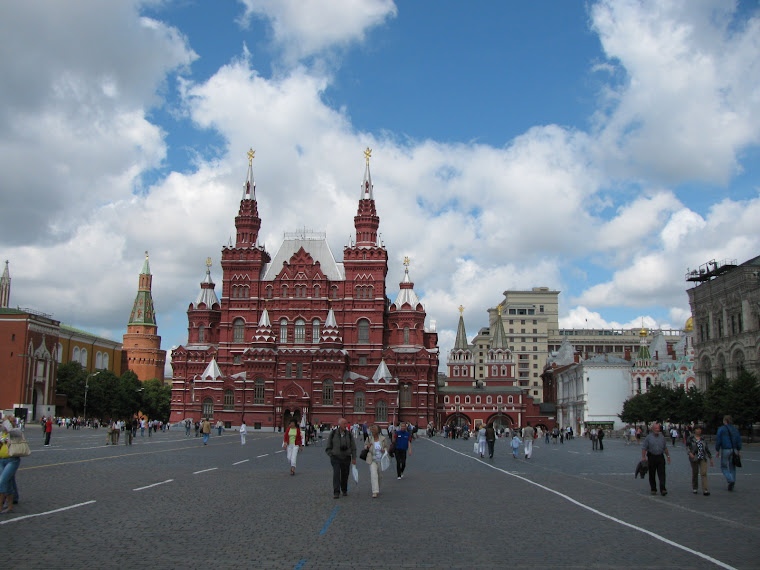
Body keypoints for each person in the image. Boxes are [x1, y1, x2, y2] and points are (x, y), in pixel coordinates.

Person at [325, 418, 356, 498]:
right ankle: (336, 492)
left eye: (346, 424)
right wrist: (331, 454)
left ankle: (344, 489)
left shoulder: (349, 434)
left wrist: (354, 457)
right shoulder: (333, 433)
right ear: (339, 425)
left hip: (346, 457)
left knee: (345, 475)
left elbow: (353, 447)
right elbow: (328, 445)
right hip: (335, 457)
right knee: (336, 474)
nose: (346, 426)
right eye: (344, 424)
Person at [641, 423, 671, 496]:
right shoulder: (648, 437)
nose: (657, 430)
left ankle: (663, 489)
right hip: (651, 457)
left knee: (662, 473)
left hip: (660, 456)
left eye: (658, 428)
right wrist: (644, 457)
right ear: (652, 429)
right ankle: (653, 489)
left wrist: (668, 456)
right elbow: (644, 448)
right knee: (652, 474)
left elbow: (665, 448)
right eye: (656, 429)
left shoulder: (662, 437)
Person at [715, 415, 742, 491]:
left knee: (724, 466)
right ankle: (732, 482)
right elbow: (739, 440)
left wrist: (717, 450)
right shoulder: (735, 430)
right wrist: (739, 450)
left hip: (725, 449)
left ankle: (730, 480)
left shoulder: (721, 429)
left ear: (725, 421)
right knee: (732, 467)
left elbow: (718, 440)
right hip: (734, 450)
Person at [363, 424, 388, 498]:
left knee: (380, 476)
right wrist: (367, 446)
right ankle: (375, 491)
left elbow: (386, 447)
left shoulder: (383, 439)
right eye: (372, 430)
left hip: (380, 460)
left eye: (374, 430)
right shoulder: (369, 438)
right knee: (374, 474)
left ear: (378, 431)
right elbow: (365, 446)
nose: (372, 431)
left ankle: (378, 488)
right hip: (372, 459)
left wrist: (384, 450)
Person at [687, 426, 713, 495]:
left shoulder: (703, 438)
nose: (699, 431)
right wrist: (690, 453)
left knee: (704, 473)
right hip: (694, 457)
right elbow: (687, 447)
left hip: (703, 457)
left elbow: (706, 448)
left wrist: (710, 458)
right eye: (697, 429)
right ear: (694, 430)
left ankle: (705, 490)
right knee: (695, 473)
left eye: (700, 429)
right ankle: (695, 487)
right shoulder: (691, 438)